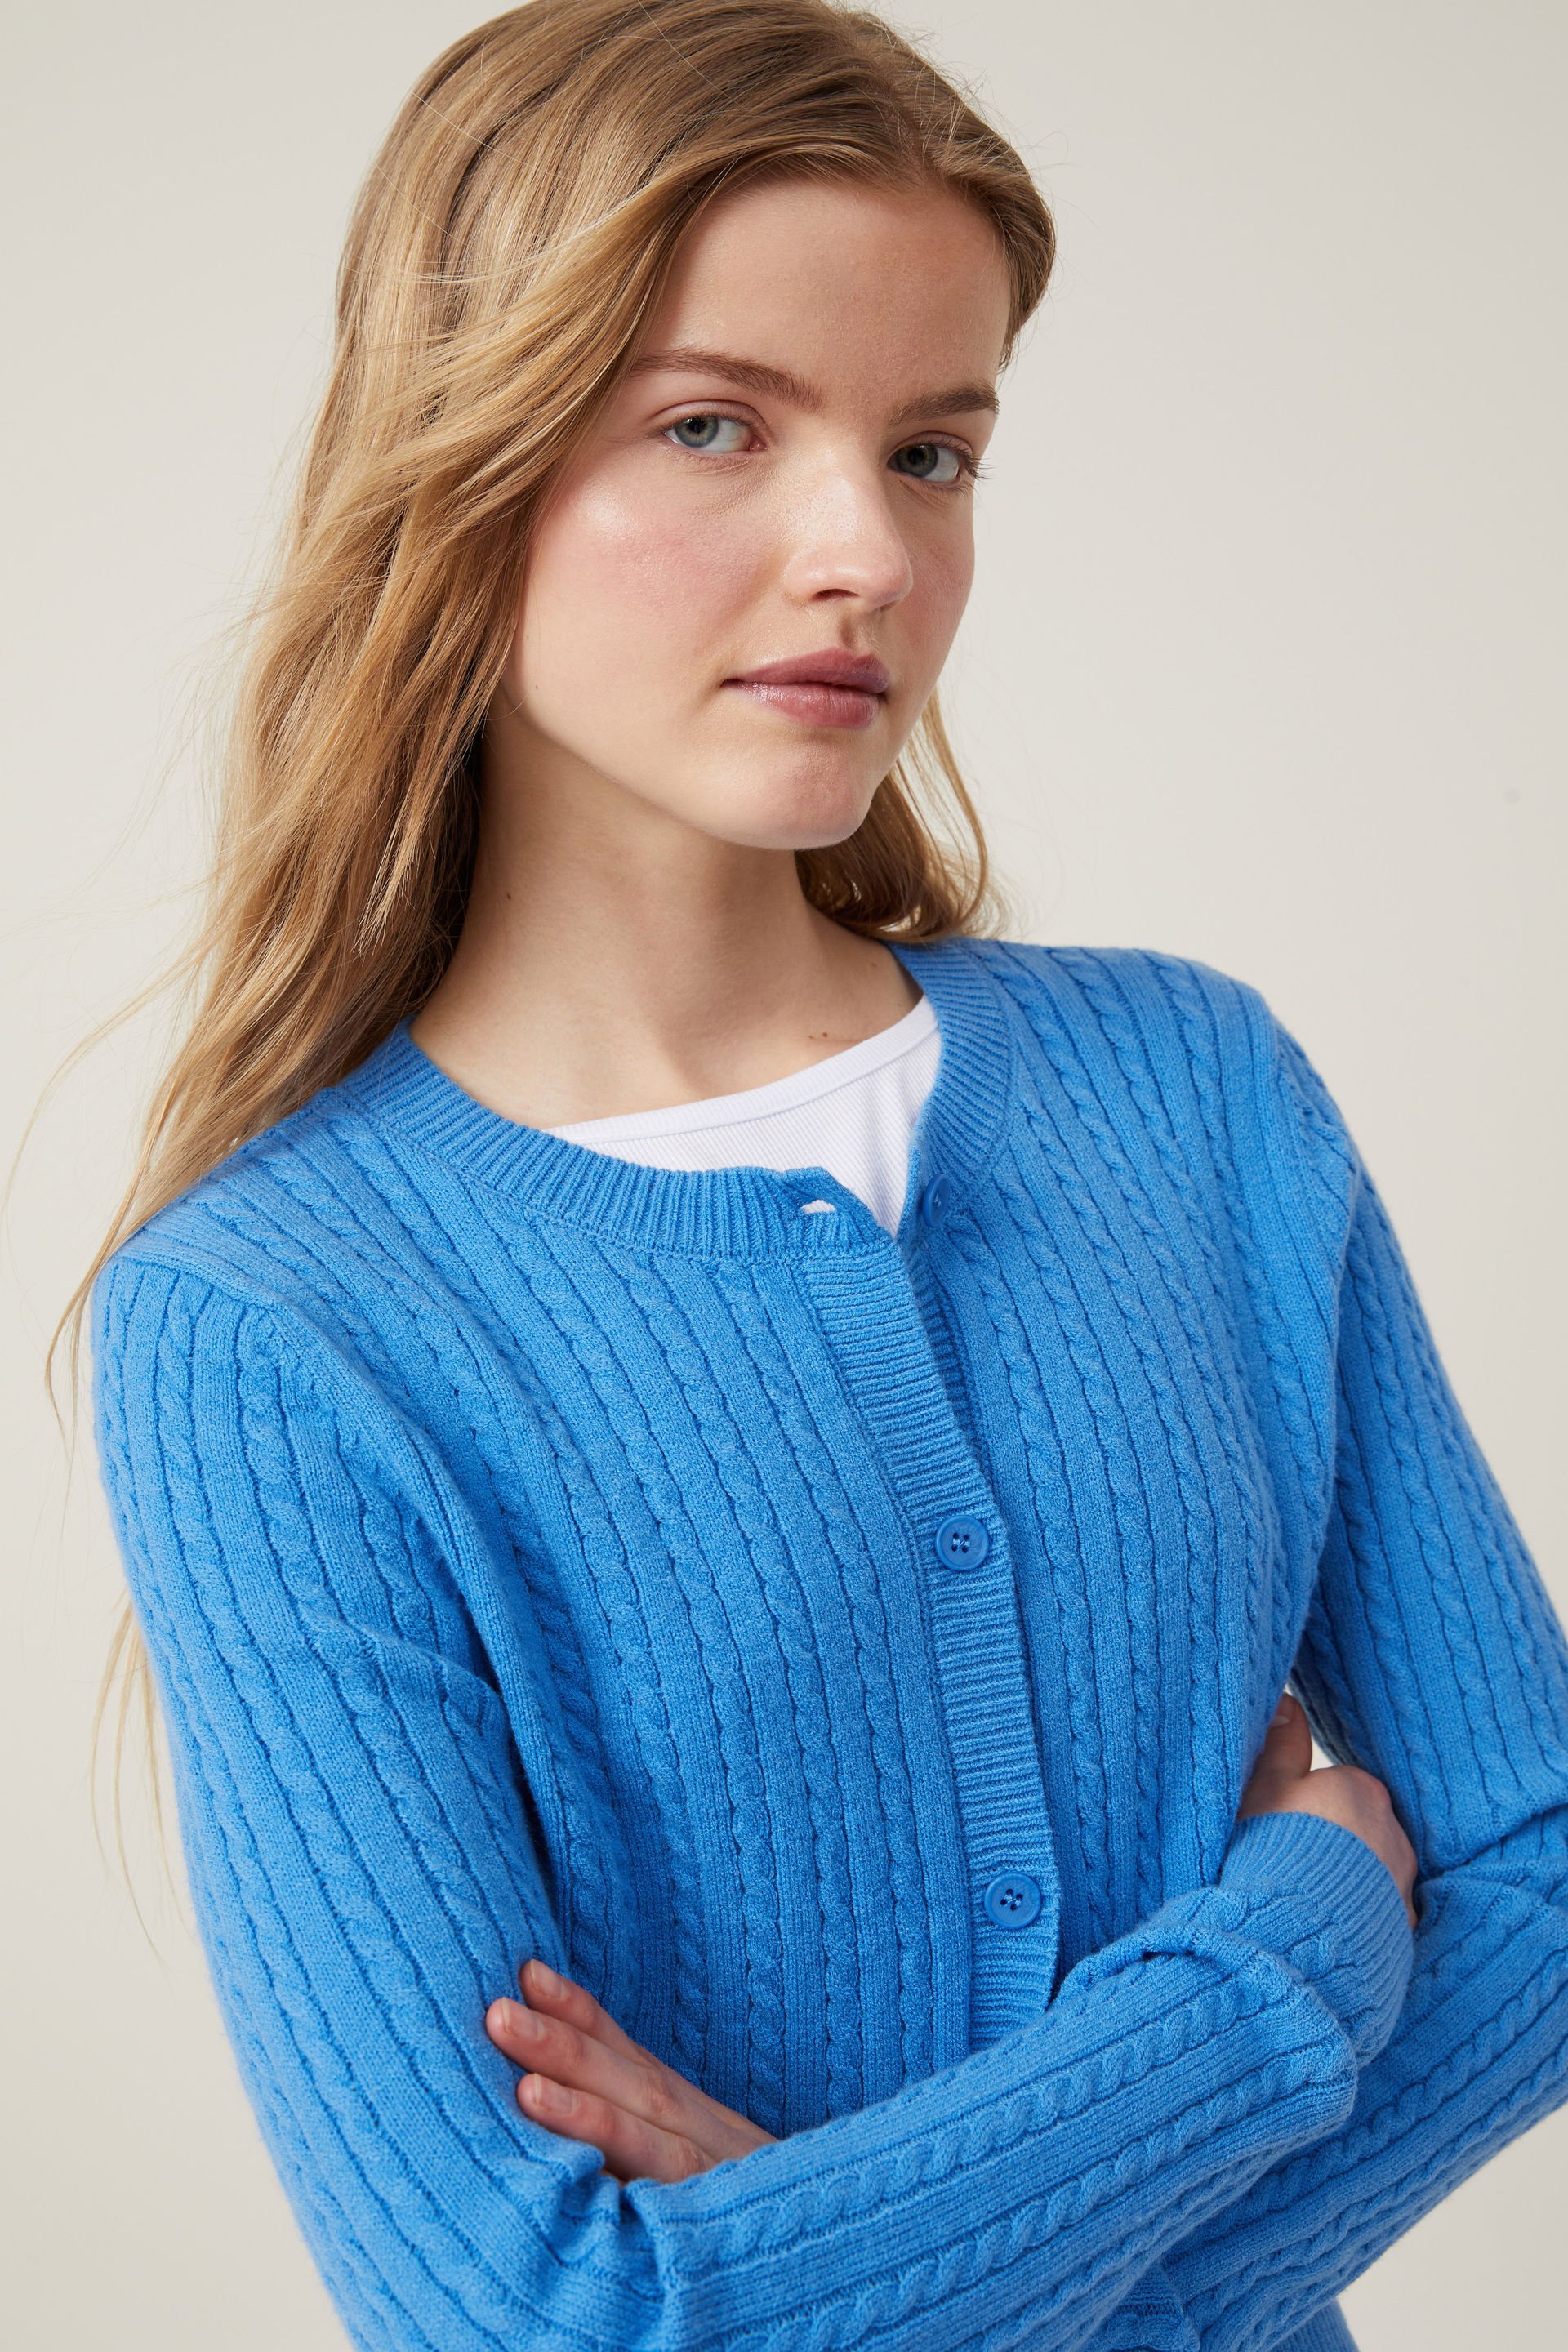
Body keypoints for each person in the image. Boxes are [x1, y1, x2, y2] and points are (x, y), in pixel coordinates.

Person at [69, 3, 1568, 2347]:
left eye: (933, 450)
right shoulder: (280, 1324)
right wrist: (1275, 1965)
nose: (866, 551)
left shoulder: (1197, 1098)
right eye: (713, 427)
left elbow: (1542, 1875)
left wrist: (877, 2269)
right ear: (466, 464)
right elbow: (539, 2316)